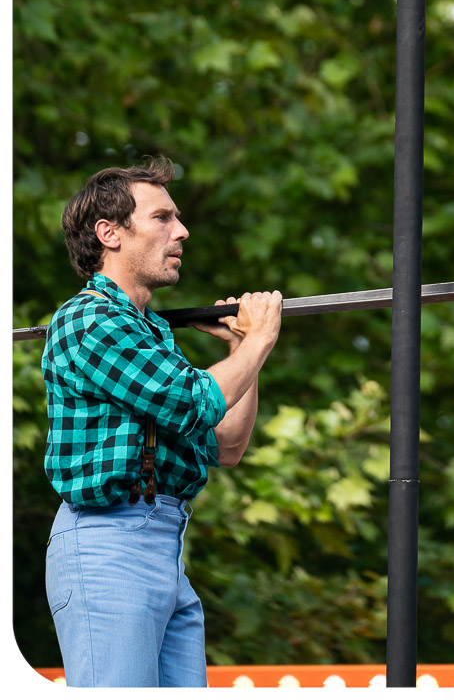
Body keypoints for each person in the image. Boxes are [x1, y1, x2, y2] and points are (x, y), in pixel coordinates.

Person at [41, 157, 283, 687]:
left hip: (165, 546)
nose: (182, 230)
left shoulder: (150, 333)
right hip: (108, 543)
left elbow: (226, 445)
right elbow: (194, 402)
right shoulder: (90, 320)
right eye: (162, 218)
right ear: (110, 233)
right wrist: (262, 338)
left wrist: (244, 350)